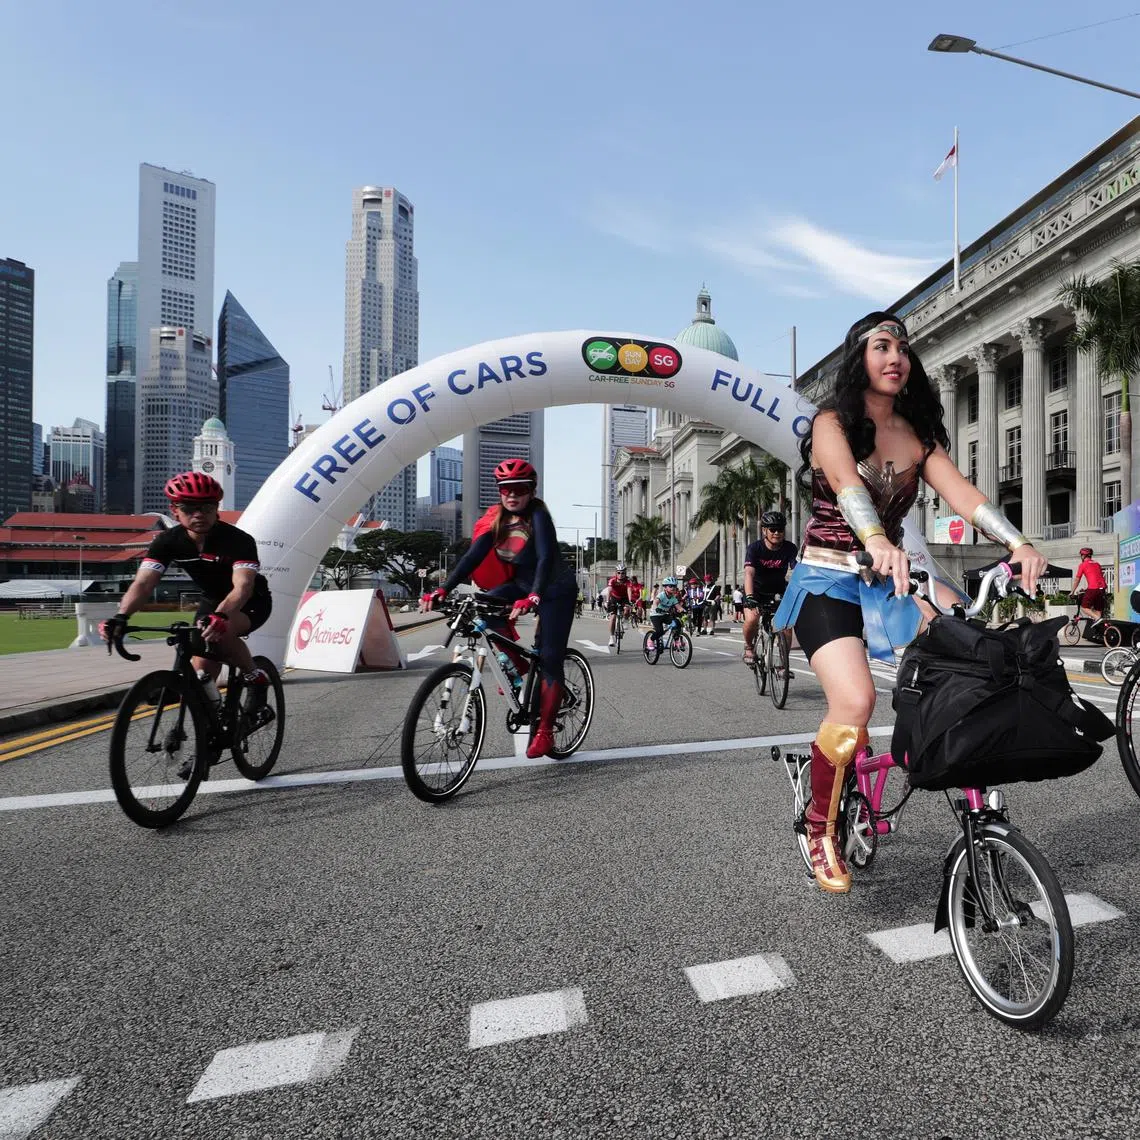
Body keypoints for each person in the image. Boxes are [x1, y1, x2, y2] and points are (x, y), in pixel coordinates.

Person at [772, 312, 1048, 895]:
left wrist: (1017, 541)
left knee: (964, 666)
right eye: (881, 346)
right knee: (856, 700)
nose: (895, 356)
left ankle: (976, 820)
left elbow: (964, 495)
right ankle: (820, 826)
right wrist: (876, 540)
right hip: (828, 580)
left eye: (902, 347)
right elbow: (848, 486)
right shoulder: (831, 424)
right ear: (859, 359)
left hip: (890, 582)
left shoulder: (919, 436)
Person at [432, 458, 576, 759]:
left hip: (554, 589)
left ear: (531, 491)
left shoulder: (538, 514)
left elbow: (546, 558)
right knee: (481, 605)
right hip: (522, 586)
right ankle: (516, 670)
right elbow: (472, 557)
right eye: (505, 489)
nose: (512, 495)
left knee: (550, 658)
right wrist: (444, 588)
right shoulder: (495, 519)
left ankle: (546, 730)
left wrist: (535, 596)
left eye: (519, 489)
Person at [100, 471, 273, 707]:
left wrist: (221, 616)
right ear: (175, 511)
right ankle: (211, 716)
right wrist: (121, 616)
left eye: (207, 508)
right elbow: (143, 583)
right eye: (190, 508)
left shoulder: (238, 540)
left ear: (216, 509)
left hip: (251, 601)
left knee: (222, 632)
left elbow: (243, 585)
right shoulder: (167, 542)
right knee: (201, 672)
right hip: (211, 599)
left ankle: (255, 677)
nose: (199, 514)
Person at [742, 510, 798, 666]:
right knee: (752, 619)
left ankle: (783, 664)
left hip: (778, 592)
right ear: (764, 530)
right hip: (756, 592)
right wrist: (750, 596)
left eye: (780, 529)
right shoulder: (754, 548)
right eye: (772, 529)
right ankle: (749, 647)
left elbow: (796, 571)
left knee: (785, 626)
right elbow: (749, 574)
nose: (777, 533)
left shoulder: (789, 548)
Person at [648, 576, 686, 646]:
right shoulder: (662, 595)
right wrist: (657, 608)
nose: (673, 588)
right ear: (665, 587)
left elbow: (678, 606)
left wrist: (683, 610)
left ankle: (676, 640)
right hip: (655, 615)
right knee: (660, 631)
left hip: (665, 615)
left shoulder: (673, 598)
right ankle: (650, 640)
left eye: (674, 586)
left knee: (677, 623)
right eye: (670, 586)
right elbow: (655, 602)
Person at [1072, 547, 1107, 620]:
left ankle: (1098, 619)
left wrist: (1072, 592)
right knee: (1098, 610)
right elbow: (1097, 577)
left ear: (1083, 556)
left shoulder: (1083, 565)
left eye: (1081, 555)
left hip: (1093, 588)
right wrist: (1086, 589)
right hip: (1102, 589)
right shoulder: (1097, 564)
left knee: (1084, 607)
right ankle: (1101, 629)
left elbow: (1077, 579)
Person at [606, 563, 634, 647]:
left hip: (624, 598)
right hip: (614, 598)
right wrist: (607, 601)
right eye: (619, 572)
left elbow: (629, 590)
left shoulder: (628, 581)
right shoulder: (612, 580)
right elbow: (609, 591)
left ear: (625, 573)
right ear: (616, 573)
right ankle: (611, 637)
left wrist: (630, 601)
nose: (621, 575)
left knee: (627, 610)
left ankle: (625, 620)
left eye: (622, 573)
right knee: (613, 618)